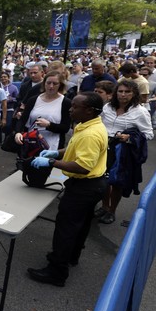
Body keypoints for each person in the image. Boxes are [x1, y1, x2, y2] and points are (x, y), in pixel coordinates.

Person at [27, 92, 109, 287]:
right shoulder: (86, 124)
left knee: (66, 228)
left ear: (89, 110)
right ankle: (71, 256)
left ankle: (56, 271)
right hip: (92, 184)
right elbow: (74, 148)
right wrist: (57, 152)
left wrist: (52, 162)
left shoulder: (91, 134)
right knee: (80, 225)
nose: (70, 109)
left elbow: (83, 166)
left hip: (85, 186)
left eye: (75, 107)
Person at [95, 80, 154, 224]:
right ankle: (104, 206)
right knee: (103, 180)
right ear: (115, 93)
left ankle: (111, 211)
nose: (123, 94)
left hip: (122, 151)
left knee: (117, 182)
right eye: (120, 91)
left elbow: (149, 134)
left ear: (134, 94)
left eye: (127, 92)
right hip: (103, 147)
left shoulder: (140, 112)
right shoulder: (107, 107)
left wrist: (129, 137)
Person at [15, 71, 72, 151]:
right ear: (44, 83)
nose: (51, 86)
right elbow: (22, 120)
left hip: (53, 146)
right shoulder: (33, 100)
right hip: (32, 144)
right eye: (48, 83)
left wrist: (49, 125)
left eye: (55, 83)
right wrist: (18, 132)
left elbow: (65, 128)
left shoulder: (65, 102)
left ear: (60, 85)